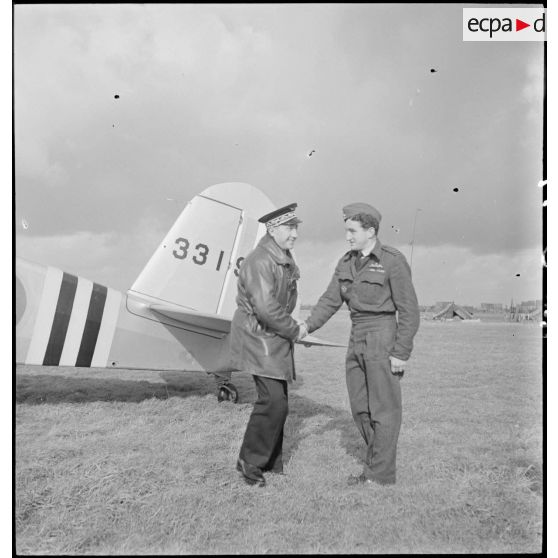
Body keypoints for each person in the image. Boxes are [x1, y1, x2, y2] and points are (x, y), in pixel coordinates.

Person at [303, 203, 419, 486]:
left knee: (384, 408)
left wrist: (400, 353)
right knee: (360, 408)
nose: (348, 237)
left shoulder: (393, 261)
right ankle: (376, 463)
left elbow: (409, 311)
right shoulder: (346, 262)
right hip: (356, 336)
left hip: (382, 335)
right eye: (346, 231)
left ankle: (380, 475)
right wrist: (306, 327)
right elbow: (330, 300)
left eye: (352, 231)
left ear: (370, 231)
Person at [230, 203, 307, 487]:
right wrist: (295, 331)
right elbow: (265, 309)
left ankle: (271, 462)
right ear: (273, 229)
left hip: (272, 337)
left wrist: (294, 329)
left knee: (280, 403)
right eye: (290, 228)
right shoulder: (260, 261)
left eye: (296, 227)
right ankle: (249, 462)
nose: (295, 234)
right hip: (258, 337)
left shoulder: (281, 257)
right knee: (273, 402)